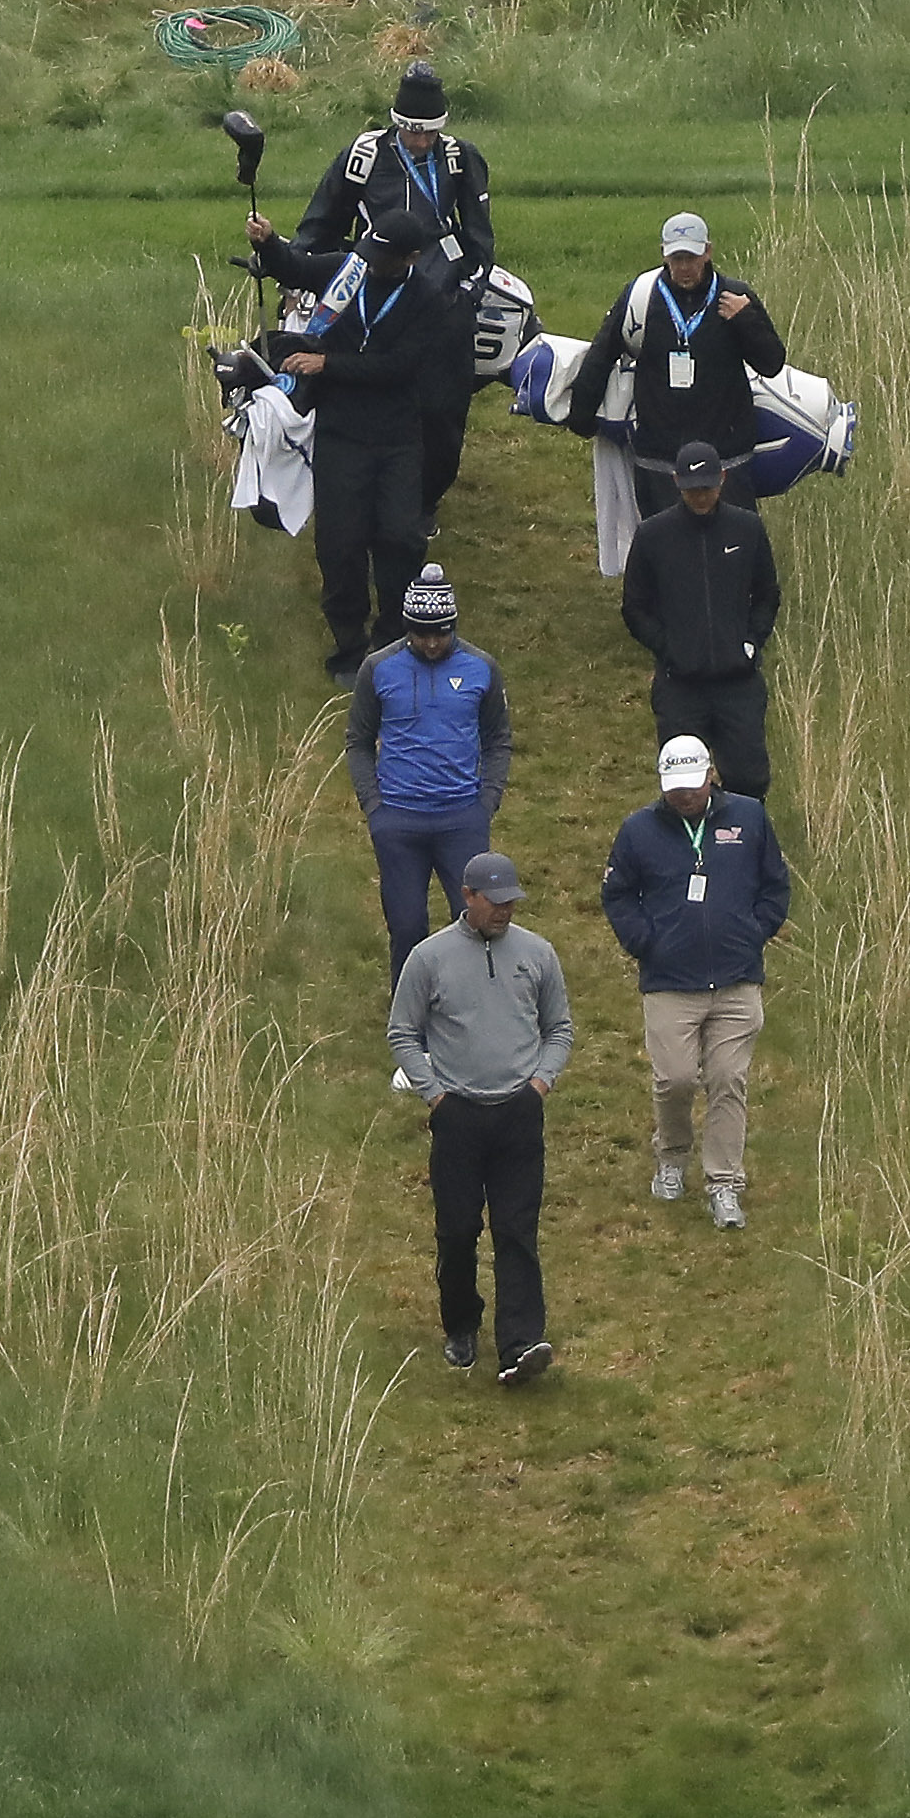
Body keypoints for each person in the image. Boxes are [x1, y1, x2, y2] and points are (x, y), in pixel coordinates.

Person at [271, 64, 498, 513]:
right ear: (397, 124)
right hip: (370, 294)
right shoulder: (363, 157)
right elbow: (321, 222)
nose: (420, 143)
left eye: (429, 134)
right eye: (413, 132)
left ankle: (424, 500)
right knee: (359, 390)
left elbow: (479, 237)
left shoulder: (460, 158)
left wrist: (469, 291)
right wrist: (294, 274)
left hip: (439, 298)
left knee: (442, 411)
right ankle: (352, 491)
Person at [387, 847, 571, 1381]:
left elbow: (558, 1027)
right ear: (467, 897)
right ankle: (461, 1326)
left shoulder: (537, 953)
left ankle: (520, 1342)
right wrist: (435, 1095)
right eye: (494, 902)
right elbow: (402, 1031)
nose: (505, 911)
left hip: (519, 1111)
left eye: (511, 901)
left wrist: (540, 1083)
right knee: (457, 1229)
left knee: (517, 1230)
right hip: (458, 1114)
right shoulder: (428, 958)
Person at [598, 735, 792, 1231]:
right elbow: (617, 894)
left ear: (711, 776)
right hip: (669, 982)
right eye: (673, 789)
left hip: (736, 980)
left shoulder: (748, 819)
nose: (683, 797)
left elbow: (776, 884)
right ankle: (671, 1153)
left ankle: (724, 1183)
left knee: (729, 1080)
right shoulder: (638, 831)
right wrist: (646, 942)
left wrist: (755, 931)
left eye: (691, 786)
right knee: (676, 1079)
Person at [279, 185, 459, 675]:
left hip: (397, 438)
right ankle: (348, 642)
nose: (371, 261)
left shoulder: (427, 300)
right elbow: (295, 268)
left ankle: (390, 638)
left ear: (411, 258)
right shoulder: (349, 270)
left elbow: (398, 367)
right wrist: (267, 244)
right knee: (340, 543)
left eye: (383, 256)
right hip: (340, 435)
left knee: (400, 537)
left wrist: (327, 364)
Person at [347, 567, 511, 1002]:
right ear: (408, 629)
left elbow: (498, 740)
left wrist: (486, 802)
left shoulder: (481, 668)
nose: (432, 643)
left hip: (462, 818)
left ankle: (474, 1008)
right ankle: (410, 1018)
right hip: (398, 820)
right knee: (406, 925)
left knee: (474, 918)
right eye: (422, 634)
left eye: (440, 633)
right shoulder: (377, 669)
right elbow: (359, 743)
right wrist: (374, 807)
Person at [566, 210, 789, 518]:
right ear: (663, 254)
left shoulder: (735, 297)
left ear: (708, 252)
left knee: (730, 554)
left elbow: (772, 363)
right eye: (676, 259)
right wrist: (581, 414)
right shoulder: (639, 298)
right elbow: (602, 353)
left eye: (692, 258)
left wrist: (746, 320)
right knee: (666, 555)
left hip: (726, 459)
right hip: (659, 459)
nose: (684, 268)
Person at [618, 440, 782, 801]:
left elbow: (767, 594)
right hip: (680, 686)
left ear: (722, 478)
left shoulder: (747, 528)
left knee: (750, 779)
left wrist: (751, 642)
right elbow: (635, 607)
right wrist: (668, 648)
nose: (701, 496)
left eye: (707, 487)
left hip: (737, 682)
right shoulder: (653, 536)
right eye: (692, 489)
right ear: (676, 482)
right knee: (681, 784)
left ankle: (742, 846)